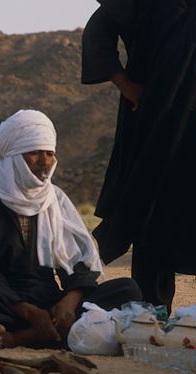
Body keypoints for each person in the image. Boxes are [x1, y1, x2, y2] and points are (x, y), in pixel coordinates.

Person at [0, 110, 141, 349]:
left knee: (128, 289)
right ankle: (54, 334)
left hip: (50, 303)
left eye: (50, 153)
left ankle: (23, 338)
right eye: (34, 153)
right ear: (13, 156)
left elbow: (76, 262)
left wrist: (68, 302)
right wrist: (27, 310)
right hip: (2, 302)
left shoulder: (55, 199)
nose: (45, 162)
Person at [82, 0, 196, 311]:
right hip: (152, 118)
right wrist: (124, 84)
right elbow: (98, 31)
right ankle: (152, 313)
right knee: (149, 211)